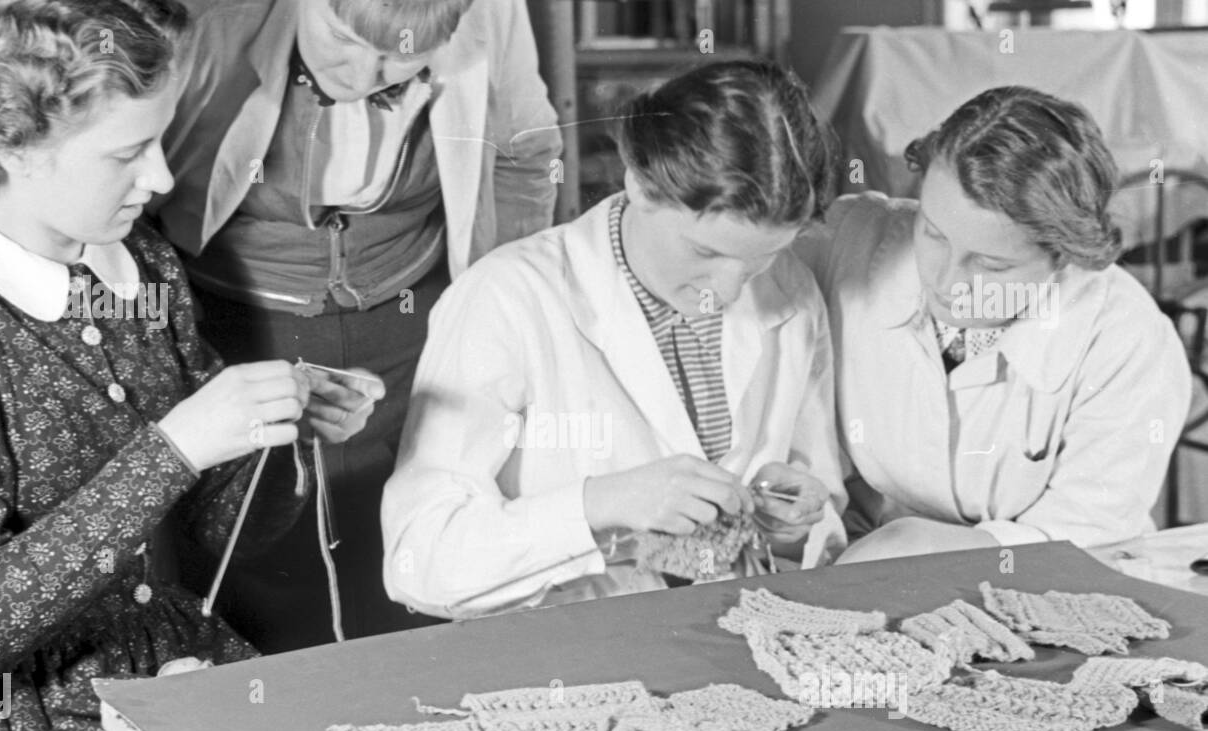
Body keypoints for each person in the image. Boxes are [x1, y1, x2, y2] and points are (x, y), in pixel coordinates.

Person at [0, 0, 373, 731]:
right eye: (127, 152)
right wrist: (176, 446)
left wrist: (278, 430)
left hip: (166, 673)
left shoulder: (141, 262)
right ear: (13, 147)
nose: (159, 178)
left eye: (160, 141)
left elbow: (215, 534)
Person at [149, 0, 563, 644]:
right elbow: (137, 187)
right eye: (342, 40)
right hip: (236, 314)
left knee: (412, 532)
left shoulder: (490, 11)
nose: (364, 74)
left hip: (413, 309)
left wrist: (497, 309)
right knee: (254, 543)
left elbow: (523, 155)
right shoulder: (208, 21)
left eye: (399, 58)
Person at [382, 60, 847, 619]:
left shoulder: (792, 291)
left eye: (762, 258)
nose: (726, 292)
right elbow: (420, 560)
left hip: (730, 628)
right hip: (563, 643)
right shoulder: (506, 298)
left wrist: (789, 520)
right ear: (641, 184)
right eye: (704, 252)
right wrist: (598, 504)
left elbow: (819, 499)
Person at [794, 86, 1192, 563]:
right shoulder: (847, 239)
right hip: (859, 555)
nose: (947, 281)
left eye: (990, 264)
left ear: (1064, 254)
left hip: (1049, 579)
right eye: (933, 233)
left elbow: (1089, 529)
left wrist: (927, 547)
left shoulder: (1126, 338)